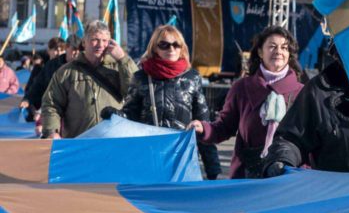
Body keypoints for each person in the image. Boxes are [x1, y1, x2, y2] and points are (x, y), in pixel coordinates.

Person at [189, 26, 304, 179]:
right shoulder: (242, 88)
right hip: (248, 176)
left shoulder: (302, 92)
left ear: (289, 54)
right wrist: (203, 128)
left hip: (290, 178)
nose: (278, 51)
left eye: (284, 47)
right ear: (260, 52)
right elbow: (224, 126)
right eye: (272, 46)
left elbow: (310, 138)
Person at [114, 25, 220, 180]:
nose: (171, 48)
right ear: (154, 48)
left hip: (181, 159)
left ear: (182, 48)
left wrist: (212, 167)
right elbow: (130, 116)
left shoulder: (192, 78)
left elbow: (202, 123)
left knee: (180, 202)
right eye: (164, 44)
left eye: (176, 44)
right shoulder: (141, 77)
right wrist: (116, 114)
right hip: (149, 158)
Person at [40, 21, 138, 138]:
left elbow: (135, 91)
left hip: (113, 142)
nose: (100, 45)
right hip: (79, 143)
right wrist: (52, 132)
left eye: (105, 41)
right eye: (95, 39)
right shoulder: (67, 72)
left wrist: (123, 59)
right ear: (84, 42)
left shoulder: (119, 68)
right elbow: (51, 104)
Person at [22, 36, 76, 112]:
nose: (59, 53)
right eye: (56, 50)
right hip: (40, 109)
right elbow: (32, 89)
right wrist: (28, 102)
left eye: (62, 50)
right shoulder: (41, 68)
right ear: (49, 51)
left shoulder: (69, 68)